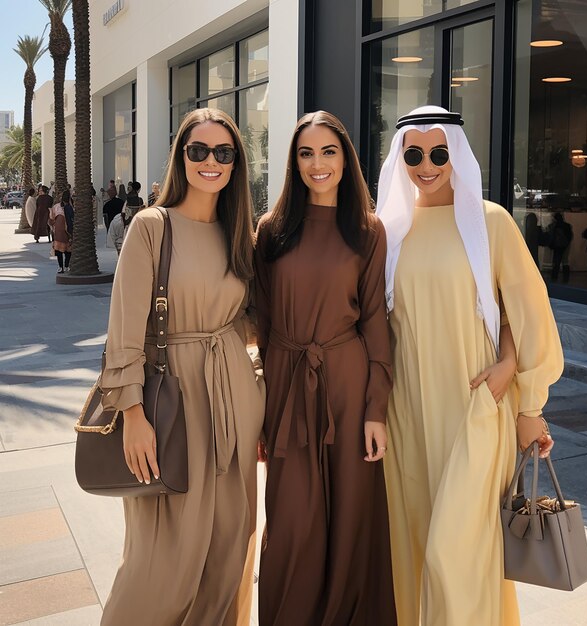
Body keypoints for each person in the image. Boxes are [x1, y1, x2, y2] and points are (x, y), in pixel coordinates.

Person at [376, 106, 564, 626]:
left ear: (456, 153)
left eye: (439, 153)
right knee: (416, 548)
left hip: (478, 410)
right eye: (414, 155)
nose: (427, 165)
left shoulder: (489, 221)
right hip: (408, 416)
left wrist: (529, 400)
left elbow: (526, 311)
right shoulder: (387, 231)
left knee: (455, 556)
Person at [99, 107, 264, 625]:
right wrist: (130, 414)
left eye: (223, 153)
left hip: (234, 406)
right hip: (170, 408)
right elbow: (123, 331)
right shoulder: (152, 227)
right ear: (181, 157)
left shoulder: (240, 234)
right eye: (199, 151)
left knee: (227, 551)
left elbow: (250, 323)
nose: (210, 162)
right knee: (158, 568)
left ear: (236, 164)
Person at [255, 111, 397, 626]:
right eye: (306, 153)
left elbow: (376, 319)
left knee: (352, 522)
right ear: (294, 162)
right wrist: (263, 411)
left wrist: (376, 408)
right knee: (291, 524)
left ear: (346, 159)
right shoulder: (271, 231)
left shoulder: (368, 230)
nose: (318, 164)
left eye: (329, 152)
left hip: (348, 383)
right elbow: (264, 324)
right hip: (288, 385)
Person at [50, 189, 73, 273]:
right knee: (68, 250)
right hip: (68, 232)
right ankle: (66, 266)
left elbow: (51, 218)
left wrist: (52, 227)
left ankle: (60, 267)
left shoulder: (56, 207)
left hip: (58, 232)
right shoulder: (71, 207)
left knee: (59, 250)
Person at [547, 211, 573, 281]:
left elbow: (550, 236)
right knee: (565, 261)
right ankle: (566, 277)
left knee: (556, 262)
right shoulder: (567, 226)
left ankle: (554, 277)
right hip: (565, 246)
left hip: (557, 246)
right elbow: (570, 237)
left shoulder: (553, 226)